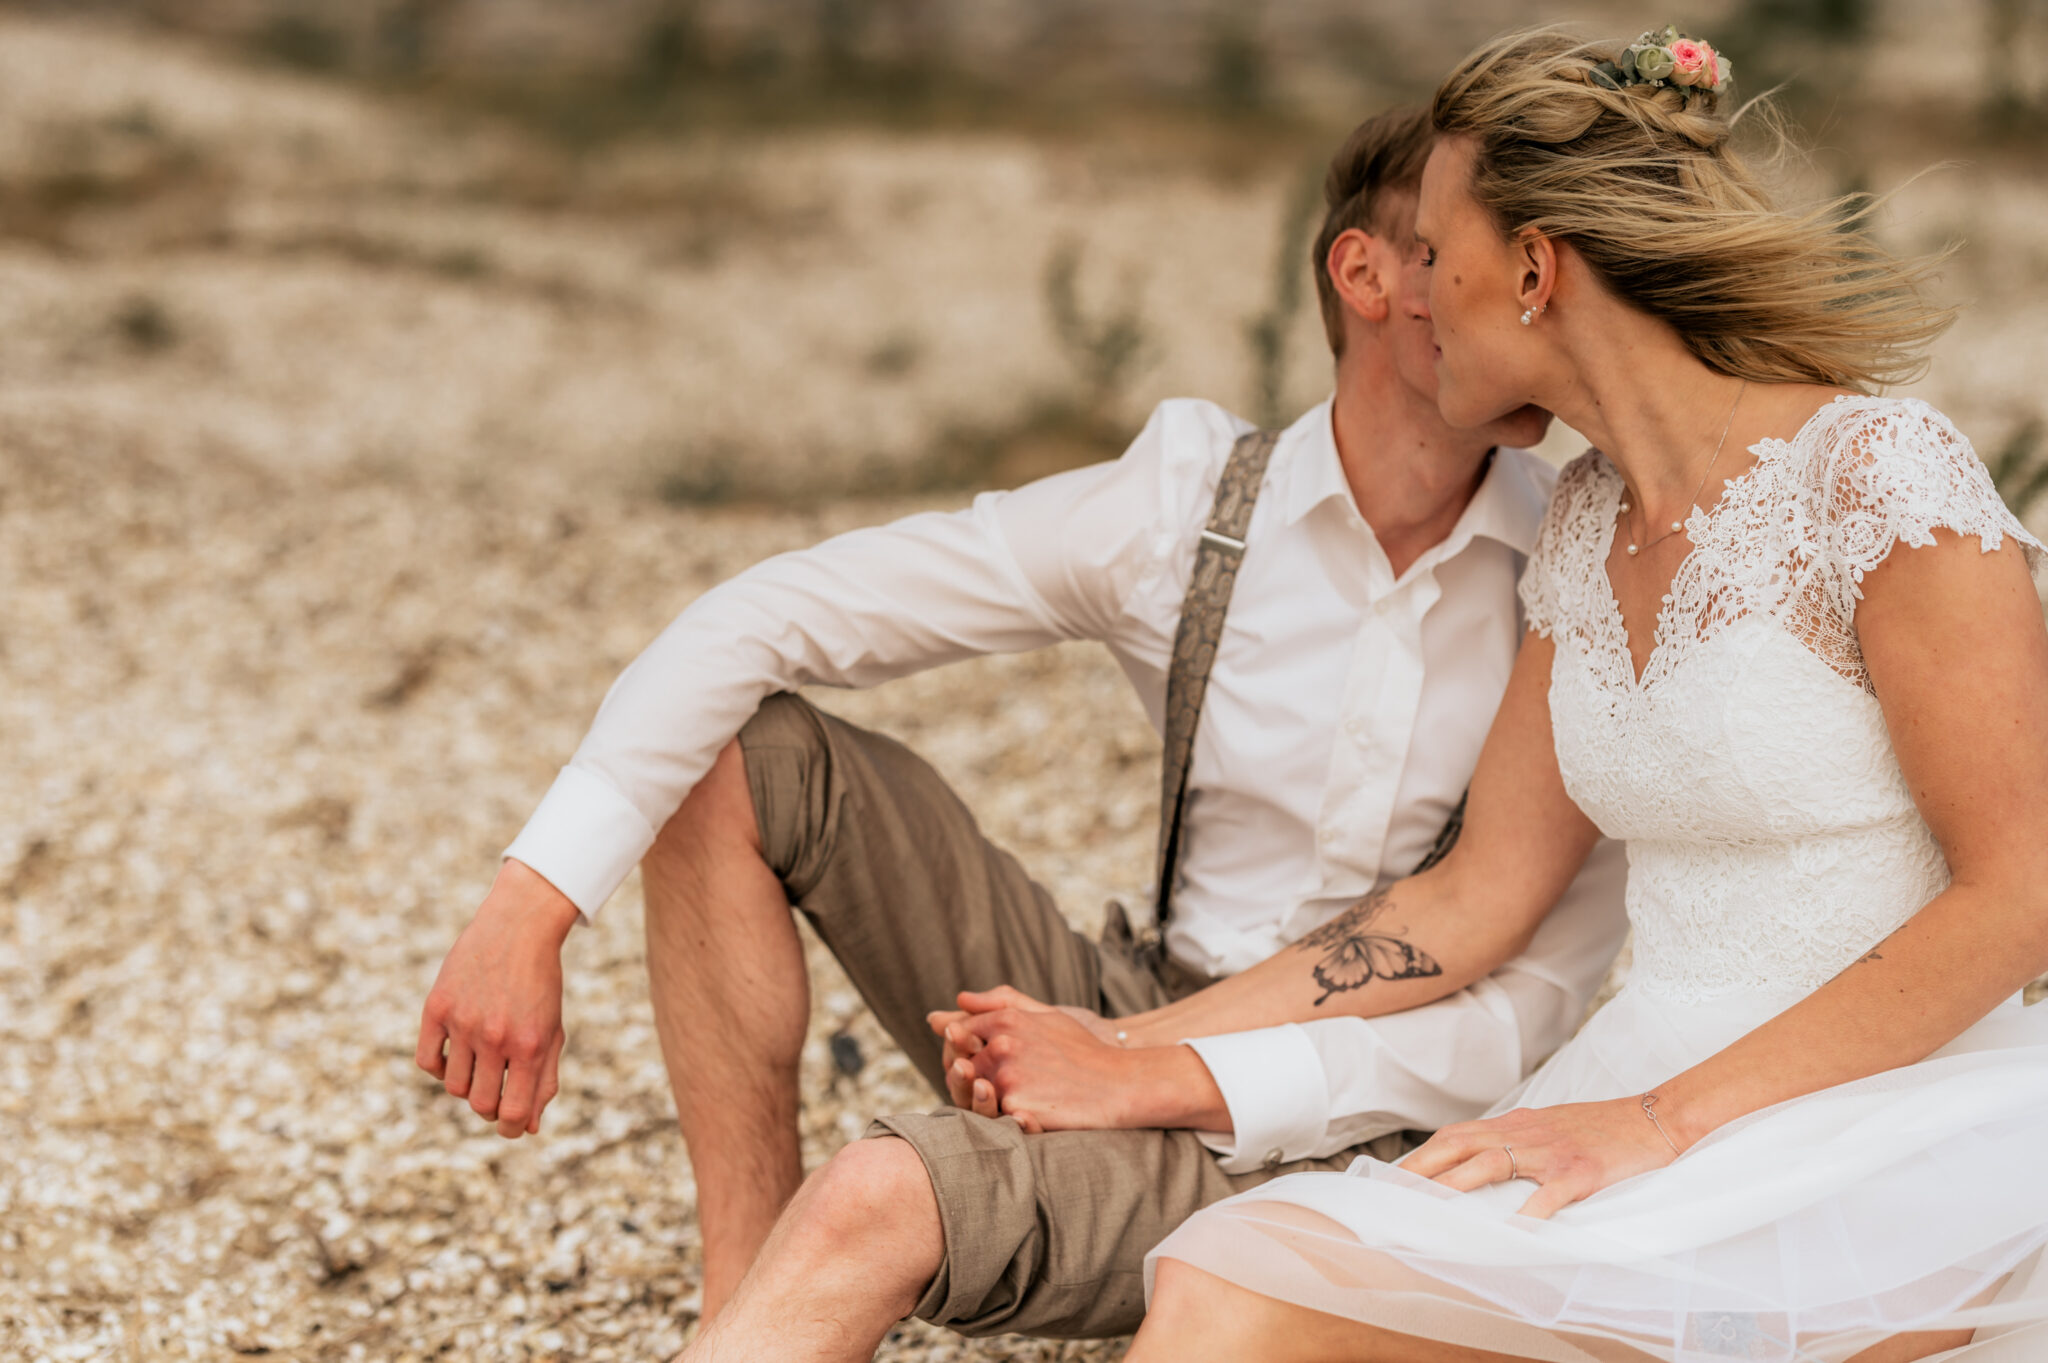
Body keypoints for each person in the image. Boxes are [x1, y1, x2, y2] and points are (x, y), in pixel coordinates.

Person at [413, 105, 1630, 1358]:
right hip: (1127, 999)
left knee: (877, 1195)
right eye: (1491, 256)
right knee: (737, 748)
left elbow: (1512, 1021)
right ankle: (743, 1305)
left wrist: (1137, 1068)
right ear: (1368, 275)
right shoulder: (1191, 508)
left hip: (1364, 1124)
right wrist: (534, 898)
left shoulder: (1583, 571)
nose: (1540, 304)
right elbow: (762, 616)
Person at [1086, 27, 2048, 1363]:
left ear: (1534, 269)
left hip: (1888, 1130)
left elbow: (2023, 892)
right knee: (1228, 1277)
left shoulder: (1879, 476)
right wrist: (1133, 1046)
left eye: (1431, 252)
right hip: (1627, 1102)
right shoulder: (1585, 524)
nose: (1408, 296)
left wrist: (1661, 1122)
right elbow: (1471, 893)